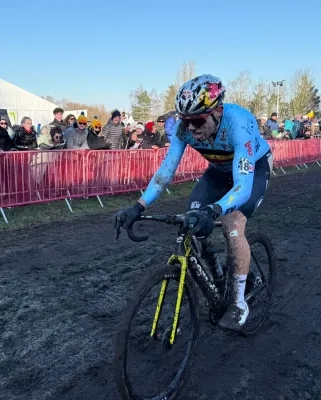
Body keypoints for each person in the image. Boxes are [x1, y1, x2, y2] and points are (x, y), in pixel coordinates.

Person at [114, 74, 273, 331]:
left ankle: (238, 302)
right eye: (186, 121)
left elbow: (242, 185)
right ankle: (219, 278)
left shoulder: (239, 123)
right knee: (192, 220)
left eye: (197, 121)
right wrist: (139, 205)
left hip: (252, 170)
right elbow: (166, 172)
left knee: (232, 224)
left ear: (218, 111)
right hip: (218, 171)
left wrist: (216, 209)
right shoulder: (183, 129)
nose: (191, 129)